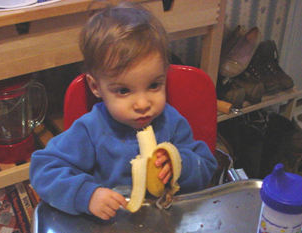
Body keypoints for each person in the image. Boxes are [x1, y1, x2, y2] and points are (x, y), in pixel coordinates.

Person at [29, 1, 217, 220]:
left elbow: (206, 165)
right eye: (124, 90)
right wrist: (86, 195)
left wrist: (181, 164)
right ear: (96, 87)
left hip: (167, 228)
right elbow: (43, 170)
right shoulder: (91, 129)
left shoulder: (170, 122)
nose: (143, 104)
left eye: (154, 85)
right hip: (110, 231)